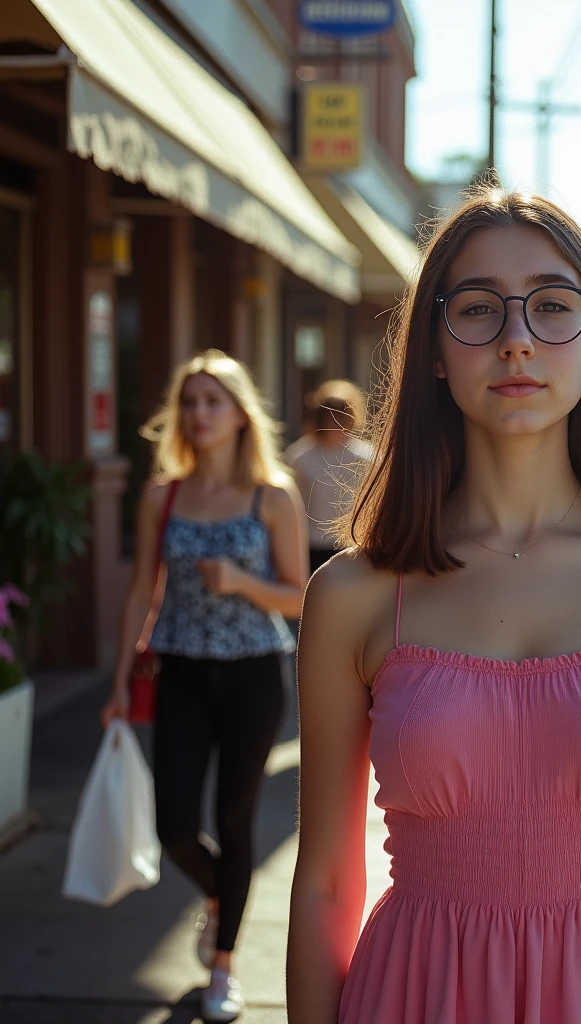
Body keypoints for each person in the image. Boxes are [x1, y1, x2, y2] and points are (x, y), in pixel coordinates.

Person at [287, 189, 581, 1024]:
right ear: (434, 348)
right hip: (414, 998)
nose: (515, 339)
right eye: (476, 309)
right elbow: (324, 881)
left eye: (551, 306)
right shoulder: (354, 595)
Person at [101, 349, 308, 1023]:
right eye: (188, 403)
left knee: (236, 820)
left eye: (211, 401)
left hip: (254, 676)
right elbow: (141, 593)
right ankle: (223, 896)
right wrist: (118, 683)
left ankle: (224, 967)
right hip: (181, 671)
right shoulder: (162, 495)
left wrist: (243, 582)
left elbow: (300, 597)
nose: (197, 414)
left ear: (240, 414)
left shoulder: (273, 496)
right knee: (176, 826)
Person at [285, 379, 371, 573]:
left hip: (354, 547)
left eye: (340, 416)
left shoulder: (367, 458)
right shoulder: (300, 457)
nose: (334, 424)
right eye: (328, 417)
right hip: (312, 546)